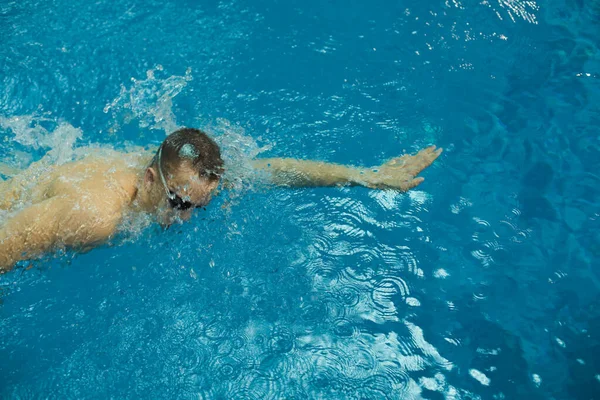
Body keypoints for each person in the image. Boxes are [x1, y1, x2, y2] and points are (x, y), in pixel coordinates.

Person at [0, 128, 442, 272]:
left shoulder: (187, 176)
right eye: (179, 205)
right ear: (150, 179)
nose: (187, 218)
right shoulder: (95, 216)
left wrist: (364, 176)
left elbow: (274, 170)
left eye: (197, 206)